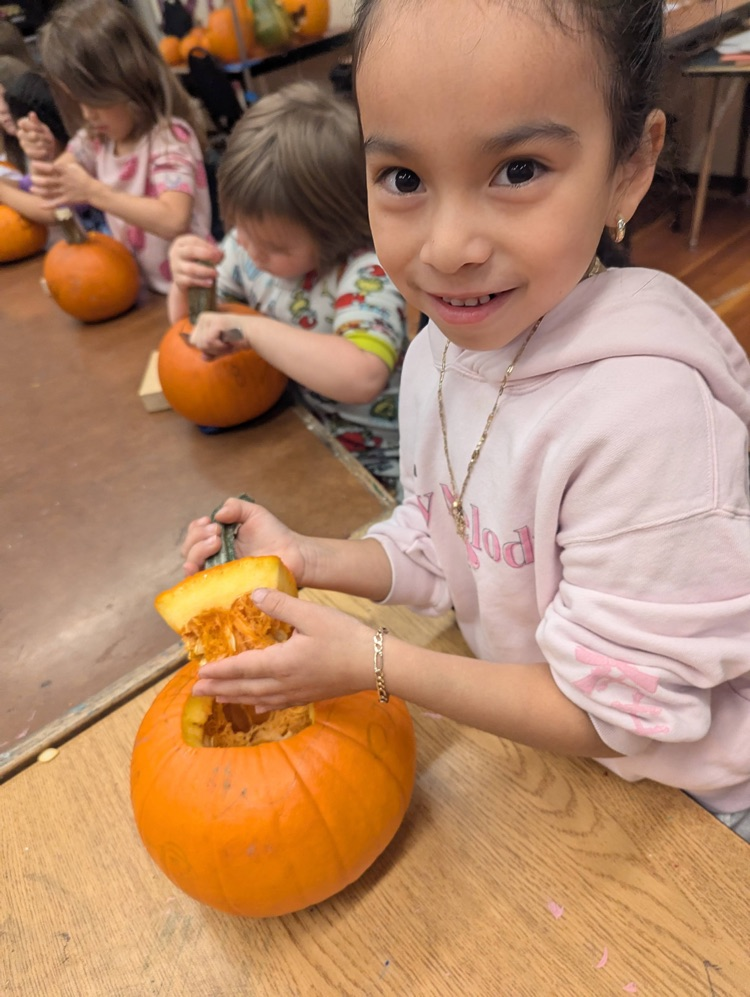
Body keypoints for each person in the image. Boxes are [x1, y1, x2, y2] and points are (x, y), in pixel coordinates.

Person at [179, 0, 750, 841]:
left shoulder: (648, 417)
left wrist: (375, 661)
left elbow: (624, 716)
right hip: (550, 756)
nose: (446, 247)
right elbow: (450, 545)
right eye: (403, 179)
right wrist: (306, 556)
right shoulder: (436, 356)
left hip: (695, 806)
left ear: (630, 166)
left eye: (517, 169)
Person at [168, 80, 405, 493]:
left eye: (275, 246)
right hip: (299, 436)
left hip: (380, 468)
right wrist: (184, 285)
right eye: (240, 229)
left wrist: (253, 331)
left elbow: (361, 374)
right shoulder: (247, 248)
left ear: (337, 229)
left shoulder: (368, 271)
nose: (250, 251)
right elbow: (192, 338)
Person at [27, 0, 211, 292]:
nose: (88, 114)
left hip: (191, 294)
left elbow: (173, 219)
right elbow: (52, 192)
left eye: (95, 100)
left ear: (129, 80)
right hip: (140, 293)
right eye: (78, 100)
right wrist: (42, 157)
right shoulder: (97, 140)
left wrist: (93, 192)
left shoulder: (170, 139)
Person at [0, 68, 71, 226]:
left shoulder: (75, 158)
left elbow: (55, 211)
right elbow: (26, 186)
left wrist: (2, 191)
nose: (2, 110)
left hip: (103, 247)